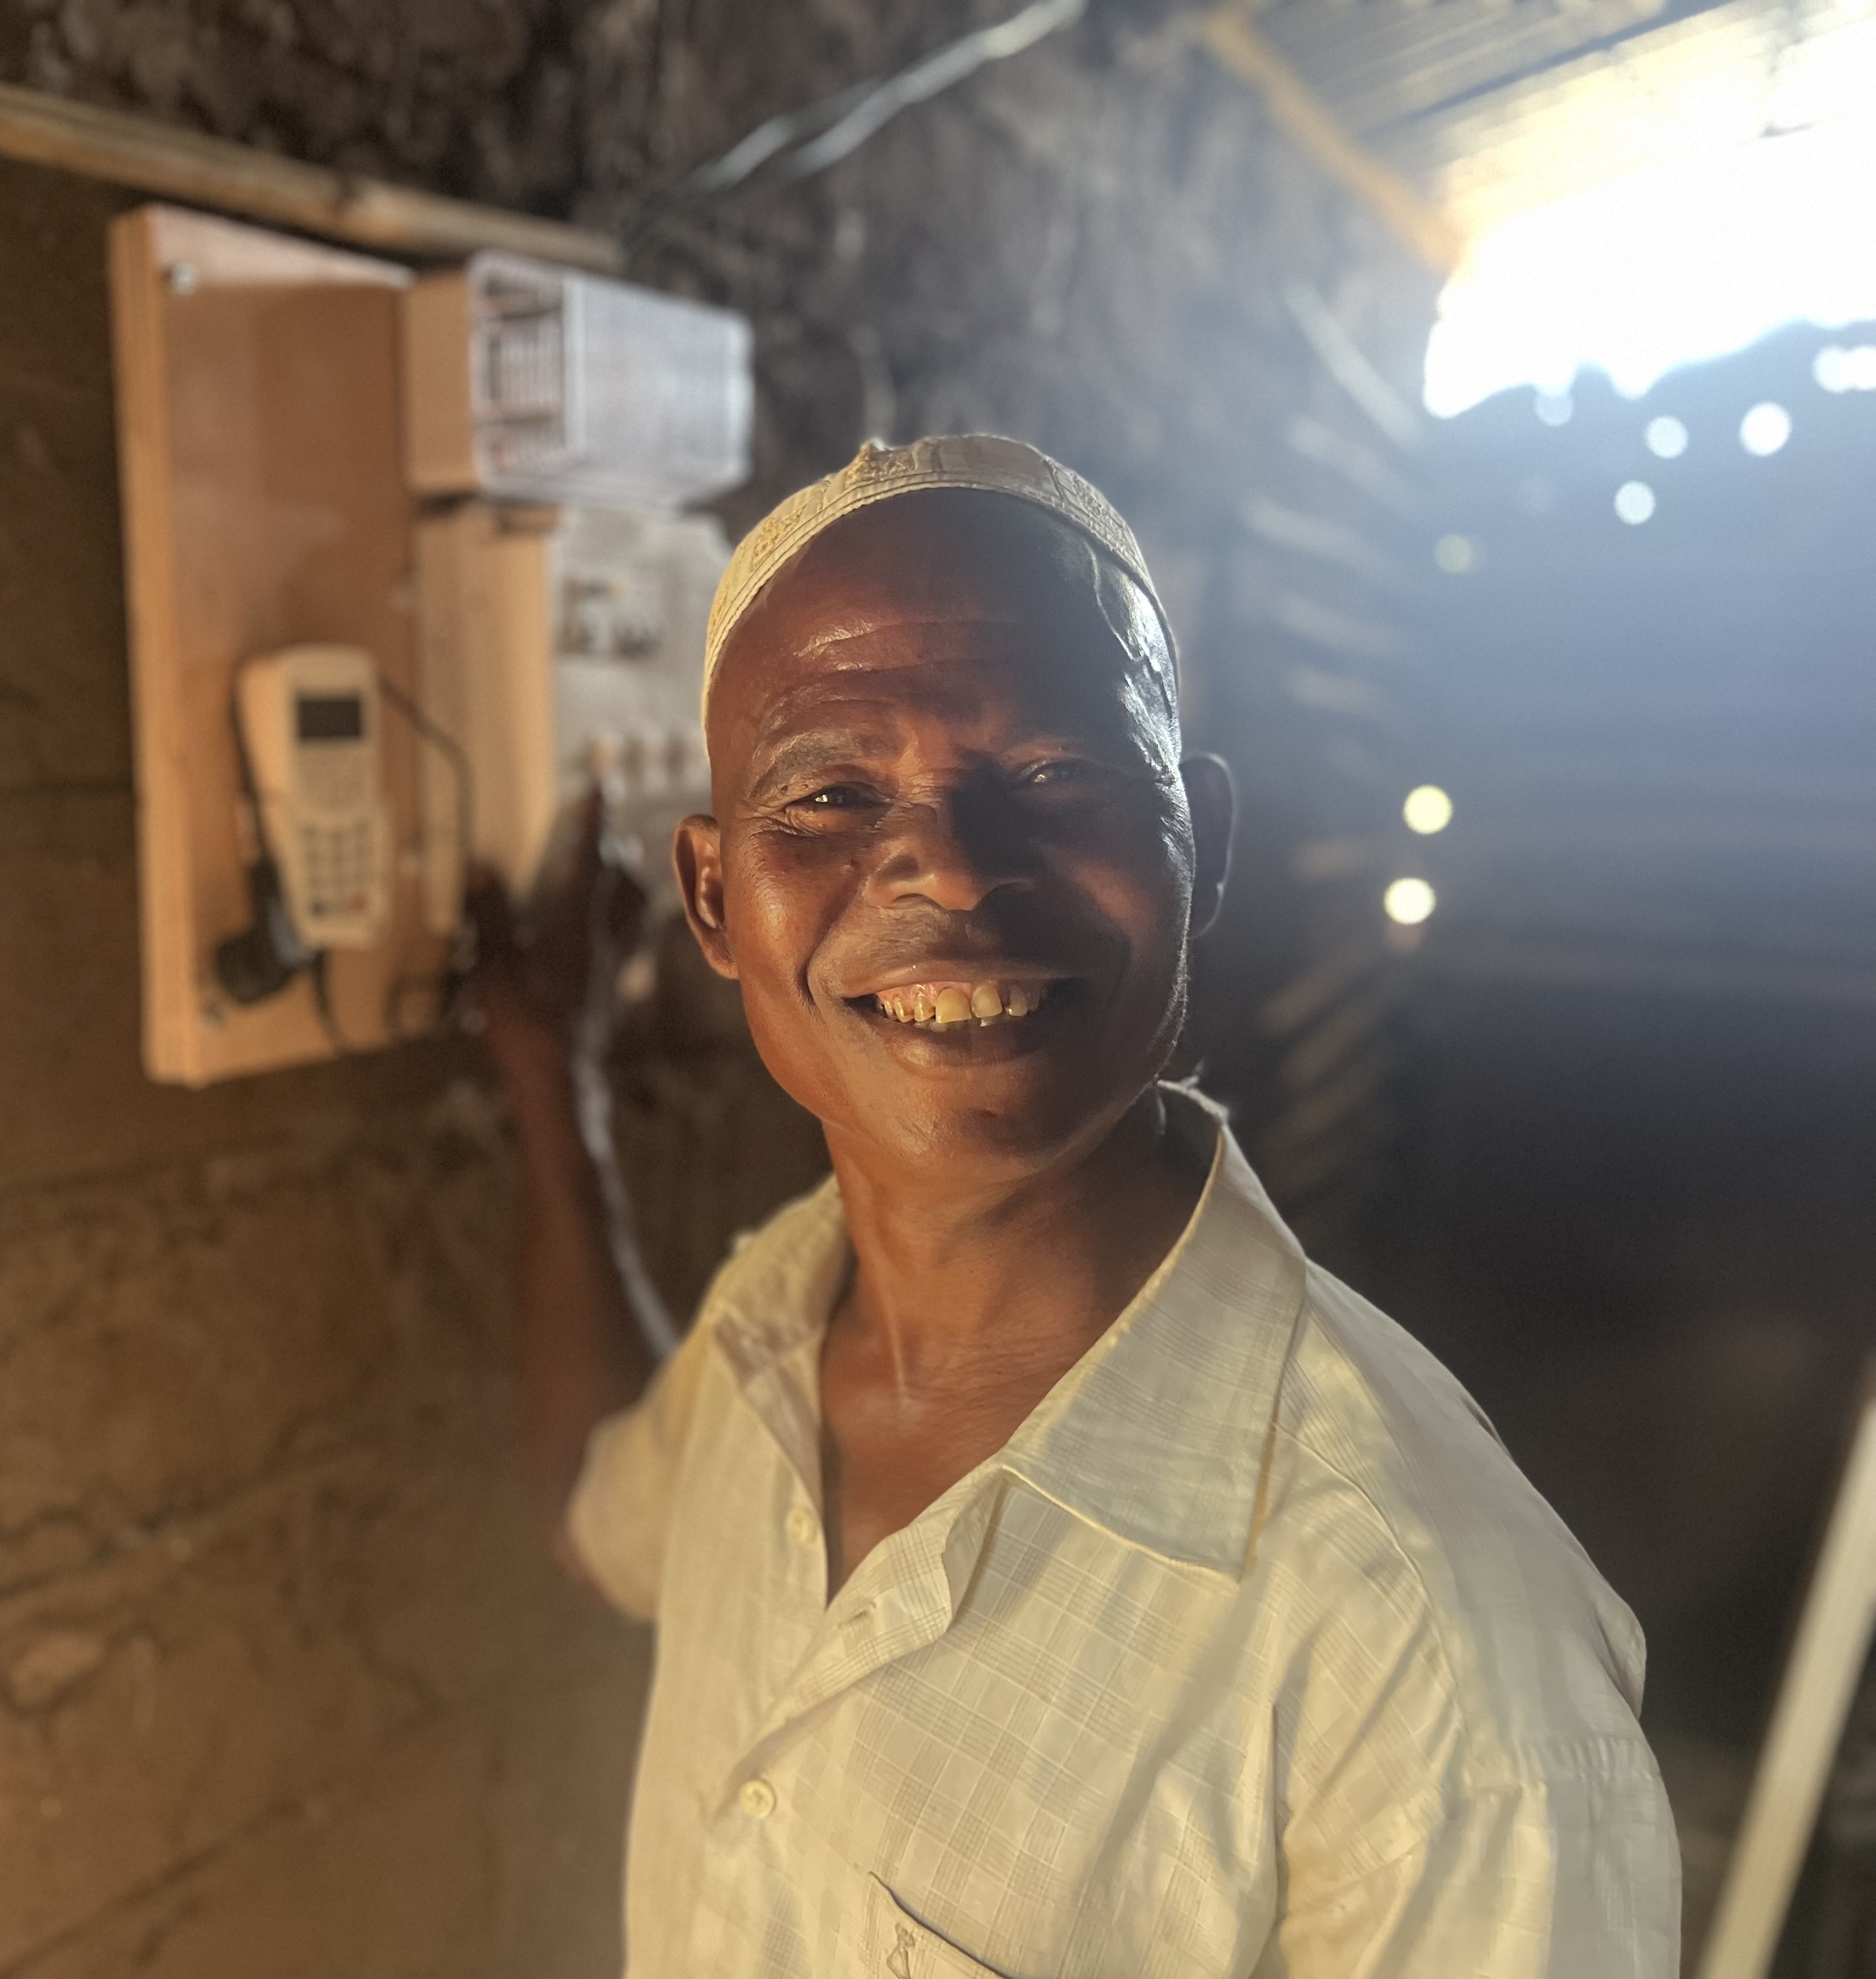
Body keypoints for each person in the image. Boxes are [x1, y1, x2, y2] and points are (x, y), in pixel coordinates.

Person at [471, 435, 1678, 1978]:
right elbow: (598, 1507)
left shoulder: (1429, 1634)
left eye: (1056, 776)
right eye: (832, 792)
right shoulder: (774, 1323)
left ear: (1204, 848)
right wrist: (547, 1079)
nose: (954, 870)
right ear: (714, 901)